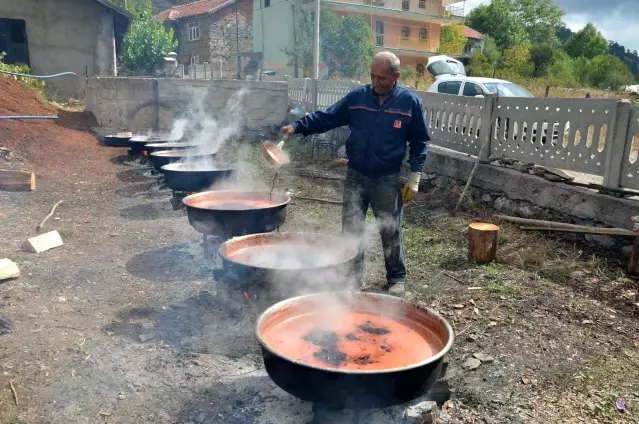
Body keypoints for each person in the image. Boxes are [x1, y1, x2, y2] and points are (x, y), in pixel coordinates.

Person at [280, 51, 430, 296]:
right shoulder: (358, 97)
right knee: (351, 230)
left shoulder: (409, 102)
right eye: (372, 76)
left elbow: (420, 141)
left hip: (387, 178)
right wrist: (297, 126)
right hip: (356, 175)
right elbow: (328, 117)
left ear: (395, 76)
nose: (375, 81)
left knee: (390, 229)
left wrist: (415, 178)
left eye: (381, 77)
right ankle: (351, 279)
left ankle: (396, 278)